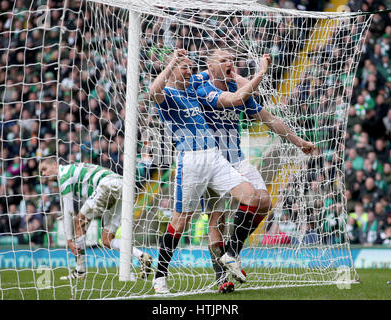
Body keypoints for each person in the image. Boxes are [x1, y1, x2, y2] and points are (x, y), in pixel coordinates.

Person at [149, 49, 271, 294]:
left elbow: (224, 77)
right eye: (184, 67)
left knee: (253, 197)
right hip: (191, 161)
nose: (189, 70)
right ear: (173, 70)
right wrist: (172, 60)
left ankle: (230, 254)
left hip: (215, 157)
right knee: (181, 221)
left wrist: (232, 67)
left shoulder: (195, 88)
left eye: (190, 67)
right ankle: (160, 275)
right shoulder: (169, 95)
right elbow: (153, 91)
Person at [192, 48, 315, 290]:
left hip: (236, 158)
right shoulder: (202, 87)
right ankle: (222, 279)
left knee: (265, 202)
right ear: (210, 66)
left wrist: (300, 142)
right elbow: (235, 100)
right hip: (213, 161)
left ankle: (231, 253)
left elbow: (269, 119)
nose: (230, 62)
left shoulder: (238, 88)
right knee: (218, 219)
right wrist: (260, 73)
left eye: (231, 59)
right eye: (223, 60)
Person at [39, 158, 153, 280]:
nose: (44, 174)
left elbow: (68, 211)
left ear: (55, 164)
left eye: (44, 169)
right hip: (123, 187)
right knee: (106, 239)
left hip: (107, 185)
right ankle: (141, 256)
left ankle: (80, 271)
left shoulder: (64, 176)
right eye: (41, 173)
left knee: (78, 222)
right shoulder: (73, 170)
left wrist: (69, 240)